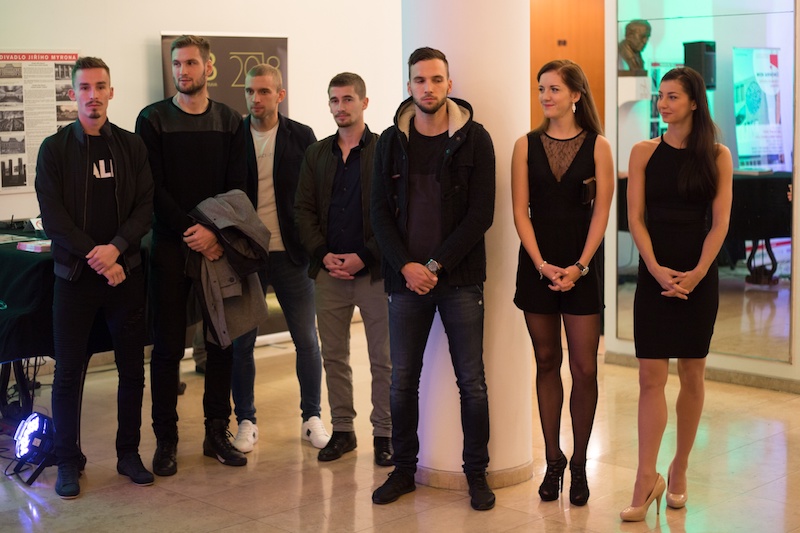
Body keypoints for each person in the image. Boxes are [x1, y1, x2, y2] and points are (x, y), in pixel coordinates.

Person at [370, 47, 496, 511]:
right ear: (409, 86)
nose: (428, 88)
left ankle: (477, 474)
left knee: (472, 382)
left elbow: (481, 214)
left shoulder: (475, 139)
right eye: (420, 80)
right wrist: (406, 265)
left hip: (459, 280)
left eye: (436, 79)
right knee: (402, 380)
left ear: (449, 84)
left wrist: (435, 266)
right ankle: (404, 470)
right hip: (405, 282)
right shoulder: (390, 141)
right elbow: (378, 213)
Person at [35, 56, 155, 498]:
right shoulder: (54, 149)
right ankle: (68, 460)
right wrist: (99, 256)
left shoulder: (130, 146)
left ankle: (129, 453)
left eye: (100, 86)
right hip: (74, 280)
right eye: (84, 87)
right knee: (68, 373)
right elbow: (54, 219)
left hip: (125, 277)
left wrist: (116, 248)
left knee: (132, 371)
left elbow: (145, 206)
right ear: (73, 94)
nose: (93, 95)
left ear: (111, 92)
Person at [620, 67, 732, 522]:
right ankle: (645, 477)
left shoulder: (717, 155)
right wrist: (654, 269)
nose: (662, 104)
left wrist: (698, 273)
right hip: (655, 272)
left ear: (693, 102)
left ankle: (679, 468)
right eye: (660, 96)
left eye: (672, 97)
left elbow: (720, 223)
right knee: (650, 377)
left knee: (692, 374)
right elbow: (635, 218)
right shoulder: (643, 152)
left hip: (698, 276)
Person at [136, 35, 248, 476]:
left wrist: (214, 235)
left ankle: (216, 432)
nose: (183, 71)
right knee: (167, 348)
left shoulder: (230, 121)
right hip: (169, 246)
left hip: (217, 247)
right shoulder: (153, 119)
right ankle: (166, 440)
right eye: (177, 64)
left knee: (221, 342)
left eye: (191, 63)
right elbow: (152, 186)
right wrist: (192, 230)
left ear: (209, 68)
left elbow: (237, 186)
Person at [511, 59, 614, 507]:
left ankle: (579, 464)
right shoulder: (525, 145)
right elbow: (520, 212)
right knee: (546, 360)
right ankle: (553, 460)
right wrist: (541, 264)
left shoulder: (598, 146)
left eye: (554, 88)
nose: (545, 96)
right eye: (541, 88)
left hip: (582, 268)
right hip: (537, 265)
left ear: (576, 94)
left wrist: (580, 266)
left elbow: (602, 213)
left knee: (585, 368)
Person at [294, 72, 392, 465]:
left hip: (374, 272)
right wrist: (322, 254)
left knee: (383, 359)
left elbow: (394, 212)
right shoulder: (316, 154)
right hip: (329, 272)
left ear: (364, 103)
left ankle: (385, 434)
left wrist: (366, 255)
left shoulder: (384, 149)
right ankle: (344, 431)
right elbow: (303, 210)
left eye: (348, 99)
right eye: (334, 100)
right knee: (334, 356)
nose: (340, 107)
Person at [230, 63, 328, 453]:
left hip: (291, 255)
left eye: (264, 91)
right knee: (243, 343)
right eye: (250, 91)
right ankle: (246, 420)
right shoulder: (234, 136)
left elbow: (317, 194)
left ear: (280, 95)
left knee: (306, 339)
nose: (255, 99)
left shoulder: (301, 136)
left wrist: (313, 245)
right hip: (246, 257)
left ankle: (312, 416)